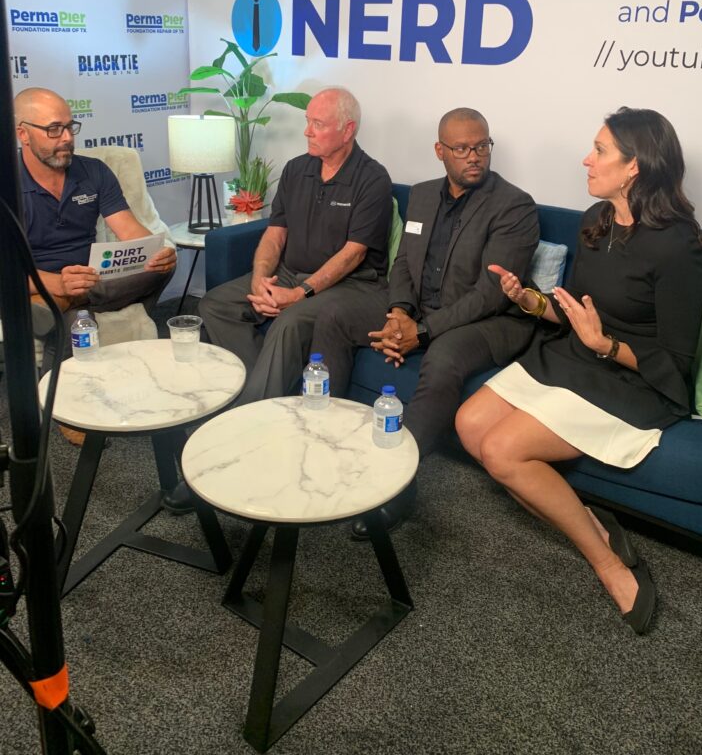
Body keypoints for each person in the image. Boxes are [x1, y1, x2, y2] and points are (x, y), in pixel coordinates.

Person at [455, 107, 702, 634]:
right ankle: (595, 522)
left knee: (502, 451)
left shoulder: (678, 247)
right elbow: (571, 311)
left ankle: (608, 563)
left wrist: (607, 345)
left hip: (634, 379)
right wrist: (528, 300)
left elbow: (678, 362)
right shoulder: (595, 223)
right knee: (469, 425)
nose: (587, 160)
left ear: (635, 166)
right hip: (577, 355)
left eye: (599, 151)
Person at [312, 107, 540, 538]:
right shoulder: (421, 194)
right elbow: (404, 263)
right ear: (440, 151)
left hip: (489, 320)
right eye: (462, 149)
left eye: (482, 147)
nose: (474, 156)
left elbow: (490, 295)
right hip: (418, 311)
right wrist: (399, 311)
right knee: (335, 315)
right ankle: (325, 437)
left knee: (446, 354)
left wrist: (422, 332)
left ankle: (395, 487)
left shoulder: (514, 206)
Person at [199, 86, 392, 405]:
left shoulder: (372, 179)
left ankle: (254, 414)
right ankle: (263, 390)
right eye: (308, 121)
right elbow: (275, 233)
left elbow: (353, 254)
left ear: (347, 131)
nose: (307, 131)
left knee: (288, 324)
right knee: (215, 304)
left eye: (318, 124)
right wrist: (260, 279)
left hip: (349, 286)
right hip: (289, 273)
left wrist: (300, 294)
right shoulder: (296, 169)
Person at [15, 88, 177, 439]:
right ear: (23, 133)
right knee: (51, 298)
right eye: (54, 129)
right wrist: (55, 284)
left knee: (163, 266)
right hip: (38, 278)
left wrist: (155, 252)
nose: (68, 138)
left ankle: (61, 309)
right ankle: (66, 407)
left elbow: (129, 229)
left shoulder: (93, 172)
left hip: (93, 277)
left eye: (70, 126)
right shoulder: (7, 183)